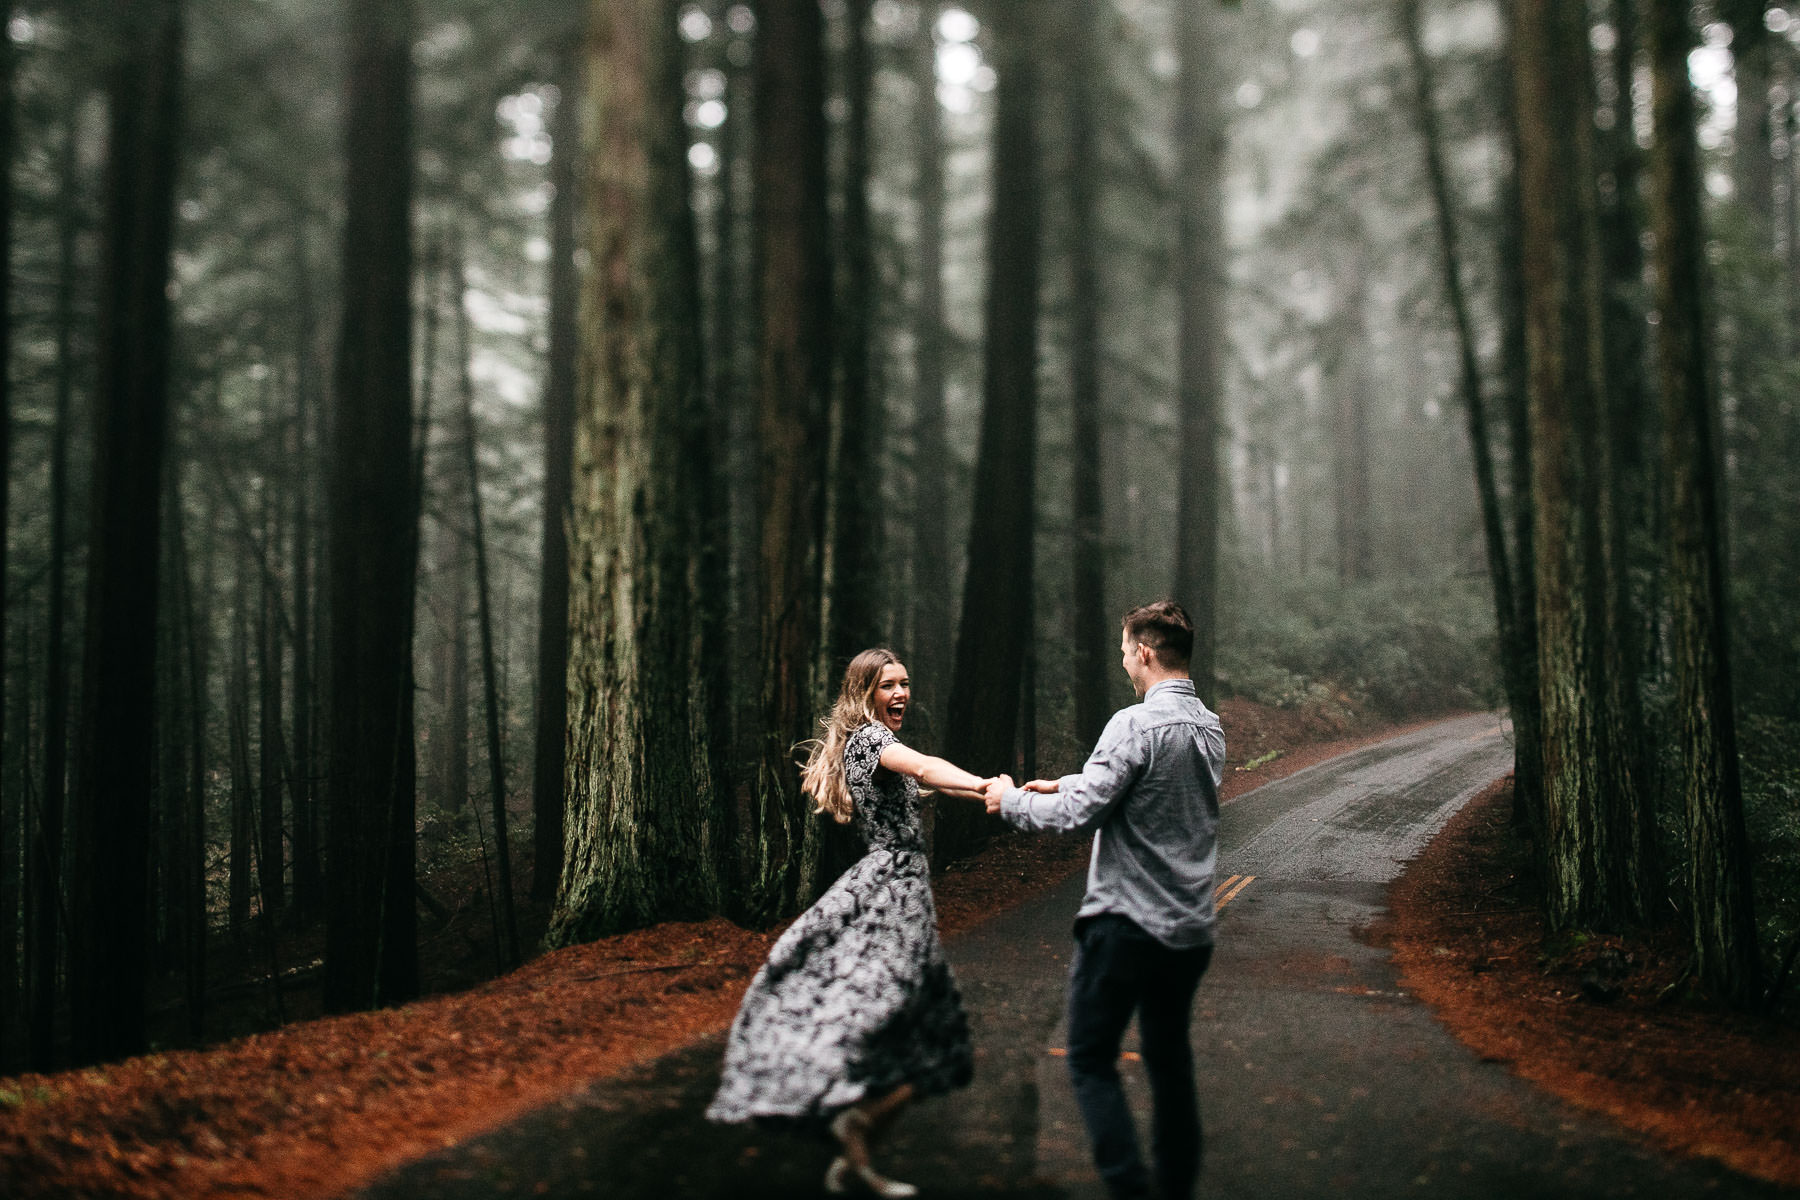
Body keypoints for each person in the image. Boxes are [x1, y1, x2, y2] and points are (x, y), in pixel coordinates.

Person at [707, 647, 997, 1198]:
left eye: (906, 684)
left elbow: (931, 785)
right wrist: (985, 784)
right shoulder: (872, 740)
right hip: (892, 886)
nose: (901, 694)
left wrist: (992, 790)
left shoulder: (869, 745)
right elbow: (926, 767)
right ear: (865, 692)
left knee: (924, 1022)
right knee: (905, 1015)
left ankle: (855, 1150)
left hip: (901, 884)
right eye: (889, 686)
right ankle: (848, 1114)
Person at [983, 600, 1225, 1200]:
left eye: (1123, 650)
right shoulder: (1210, 727)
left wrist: (1012, 800)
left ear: (1144, 652)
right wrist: (1064, 779)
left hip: (1126, 924)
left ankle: (1128, 1186)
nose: (1122, 662)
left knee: (1090, 1058)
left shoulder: (1132, 724)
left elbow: (1081, 813)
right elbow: (1148, 790)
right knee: (1169, 1064)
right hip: (1190, 929)